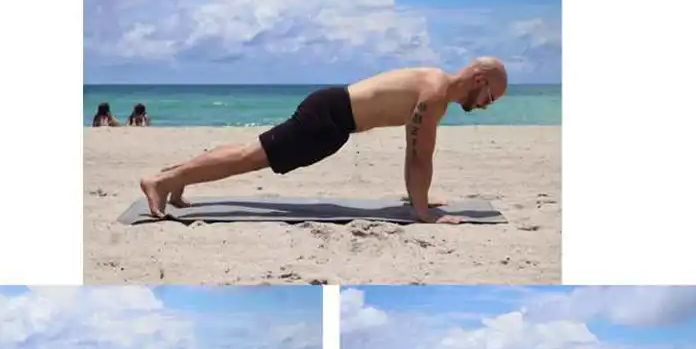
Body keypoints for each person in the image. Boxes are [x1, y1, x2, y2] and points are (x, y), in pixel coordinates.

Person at [139, 58, 508, 223]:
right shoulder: (434, 94)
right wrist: (424, 214)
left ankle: (177, 177)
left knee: (251, 152)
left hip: (332, 117)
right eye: (492, 97)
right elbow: (419, 156)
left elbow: (416, 152)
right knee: (250, 156)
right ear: (479, 79)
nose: (489, 105)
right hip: (327, 118)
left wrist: (421, 200)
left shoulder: (435, 83)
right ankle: (162, 180)